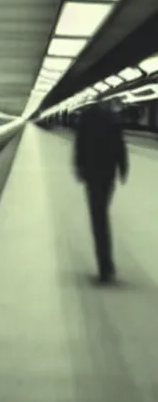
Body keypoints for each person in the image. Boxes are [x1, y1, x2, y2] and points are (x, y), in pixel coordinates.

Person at [74, 101, 128, 283]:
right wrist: (123, 169)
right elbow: (120, 146)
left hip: (92, 174)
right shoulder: (112, 119)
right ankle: (106, 264)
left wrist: (79, 168)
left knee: (98, 218)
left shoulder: (86, 119)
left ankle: (104, 265)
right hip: (107, 174)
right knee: (102, 215)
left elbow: (79, 145)